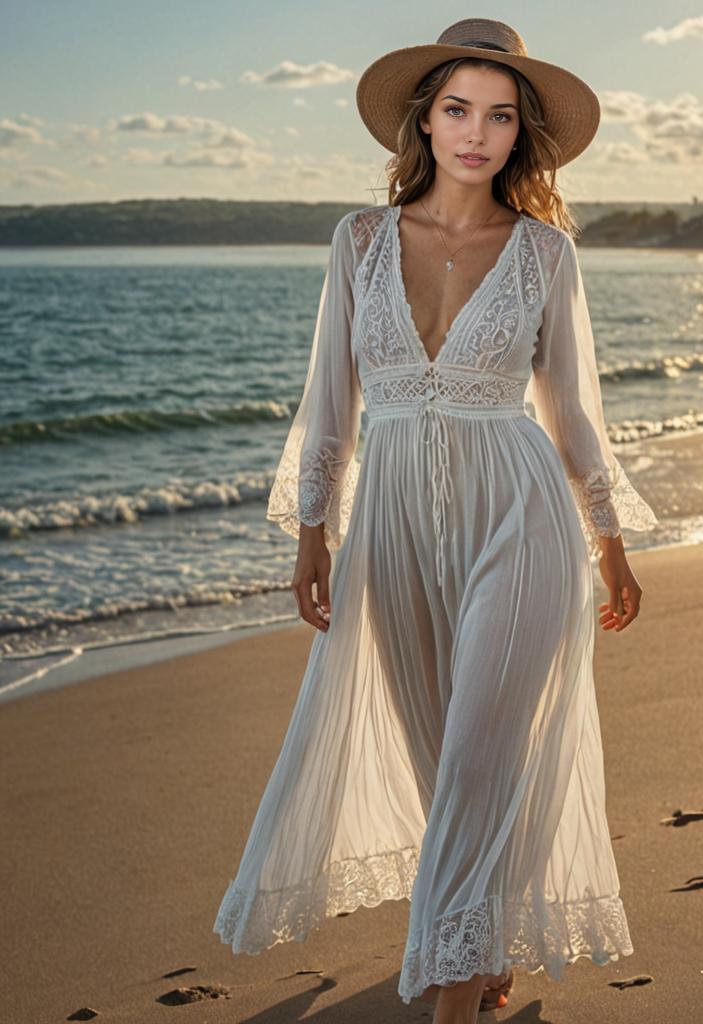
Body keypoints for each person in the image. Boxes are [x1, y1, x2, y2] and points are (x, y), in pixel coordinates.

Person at [213, 18, 658, 1023]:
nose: (477, 132)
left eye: (500, 116)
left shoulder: (545, 252)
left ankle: (451, 997)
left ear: (520, 134)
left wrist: (611, 541)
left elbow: (572, 408)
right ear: (424, 118)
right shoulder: (359, 240)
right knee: (434, 751)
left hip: (522, 516)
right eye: (459, 108)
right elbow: (328, 399)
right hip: (393, 527)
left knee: (478, 754)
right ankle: (486, 935)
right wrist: (312, 535)